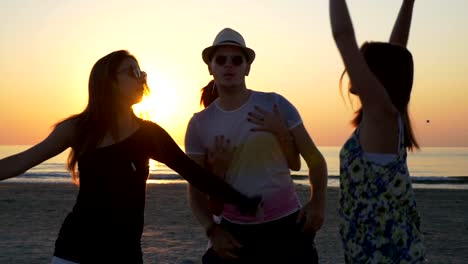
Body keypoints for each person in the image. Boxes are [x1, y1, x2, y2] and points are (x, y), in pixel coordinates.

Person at [0, 50, 261, 264]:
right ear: (109, 82)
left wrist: (241, 200)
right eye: (133, 72)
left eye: (142, 72)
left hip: (125, 254)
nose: (142, 78)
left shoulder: (150, 135)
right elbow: (22, 160)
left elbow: (194, 175)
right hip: (75, 250)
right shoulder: (78, 129)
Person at [185, 28, 328, 263]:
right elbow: (195, 191)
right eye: (220, 60)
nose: (228, 65)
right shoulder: (199, 124)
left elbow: (314, 159)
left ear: (247, 67)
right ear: (210, 67)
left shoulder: (275, 104)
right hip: (235, 232)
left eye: (236, 60)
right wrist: (212, 229)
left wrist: (319, 202)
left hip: (288, 226)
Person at [330, 0, 426, 262]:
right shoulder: (383, 119)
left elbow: (343, 36)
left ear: (377, 77)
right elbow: (397, 51)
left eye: (361, 63)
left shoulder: (383, 116)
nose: (355, 69)